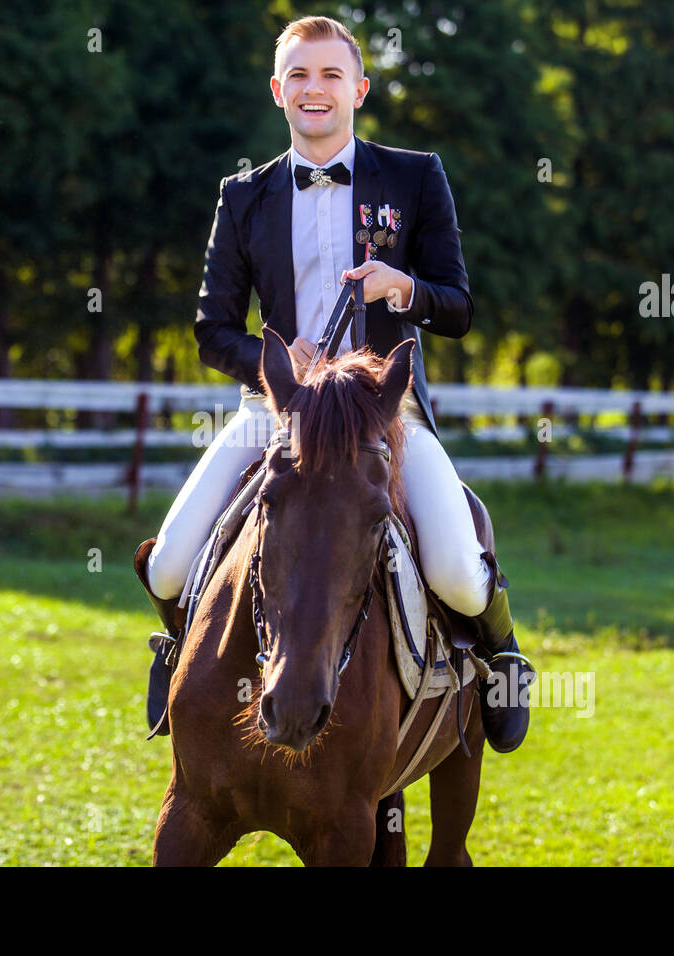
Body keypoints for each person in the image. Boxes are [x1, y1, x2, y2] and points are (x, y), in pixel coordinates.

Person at [133, 15, 534, 753]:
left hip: (385, 416)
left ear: (359, 89)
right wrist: (278, 359)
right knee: (167, 562)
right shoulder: (242, 194)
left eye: (330, 75)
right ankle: (178, 648)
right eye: (299, 75)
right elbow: (211, 332)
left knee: (458, 573)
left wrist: (403, 286)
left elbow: (460, 307)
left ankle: (504, 655)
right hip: (276, 413)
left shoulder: (416, 177)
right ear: (278, 90)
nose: (314, 88)